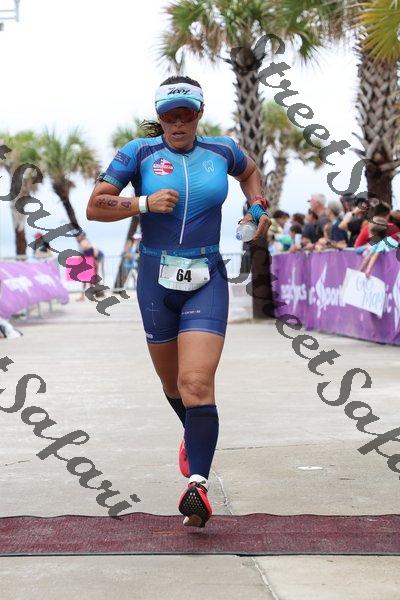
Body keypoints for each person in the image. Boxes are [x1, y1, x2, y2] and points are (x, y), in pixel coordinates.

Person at [86, 75, 270, 528]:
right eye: (170, 115)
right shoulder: (139, 152)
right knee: (173, 386)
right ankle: (193, 432)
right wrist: (143, 204)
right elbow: (95, 206)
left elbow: (250, 173)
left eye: (187, 113)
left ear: (199, 113)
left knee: (196, 382)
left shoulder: (223, 150)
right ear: (160, 117)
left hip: (207, 276)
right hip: (155, 278)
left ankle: (198, 485)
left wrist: (258, 207)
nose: (179, 122)